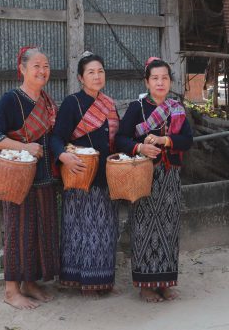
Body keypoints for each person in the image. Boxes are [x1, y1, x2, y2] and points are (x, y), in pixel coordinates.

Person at [0, 47, 59, 310]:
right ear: (22, 69)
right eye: (36, 65)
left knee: (39, 232)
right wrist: (25, 148)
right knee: (18, 232)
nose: (42, 71)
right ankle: (11, 290)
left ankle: (30, 282)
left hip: (44, 176)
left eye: (46, 65)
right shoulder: (11, 100)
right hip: (18, 180)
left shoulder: (46, 101)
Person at [116, 57, 193, 302]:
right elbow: (120, 139)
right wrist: (139, 147)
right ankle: (146, 284)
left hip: (170, 177)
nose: (160, 82)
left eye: (165, 78)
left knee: (169, 228)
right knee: (144, 228)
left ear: (170, 81)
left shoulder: (177, 108)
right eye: (155, 78)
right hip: (143, 175)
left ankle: (166, 282)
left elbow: (187, 140)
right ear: (147, 82)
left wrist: (165, 141)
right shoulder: (136, 108)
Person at [51, 51, 120, 295]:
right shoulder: (73, 103)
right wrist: (64, 156)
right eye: (91, 72)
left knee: (104, 230)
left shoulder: (109, 105)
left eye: (100, 71)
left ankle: (101, 281)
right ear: (81, 78)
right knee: (80, 229)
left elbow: (117, 141)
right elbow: (56, 137)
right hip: (80, 174)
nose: (97, 76)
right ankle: (79, 280)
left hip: (104, 177)